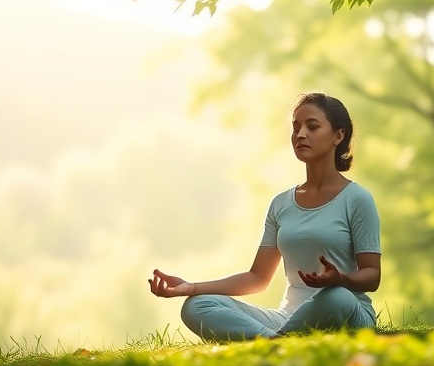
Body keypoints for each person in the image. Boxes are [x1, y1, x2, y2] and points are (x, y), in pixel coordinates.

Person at [147, 92, 382, 341]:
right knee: (197, 305)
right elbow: (257, 278)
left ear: (338, 135)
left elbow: (372, 275)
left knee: (337, 295)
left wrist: (341, 278)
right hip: (288, 317)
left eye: (312, 127)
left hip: (346, 309)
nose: (300, 134)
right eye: (296, 128)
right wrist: (191, 287)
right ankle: (275, 341)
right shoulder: (281, 204)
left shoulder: (357, 199)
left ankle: (271, 340)